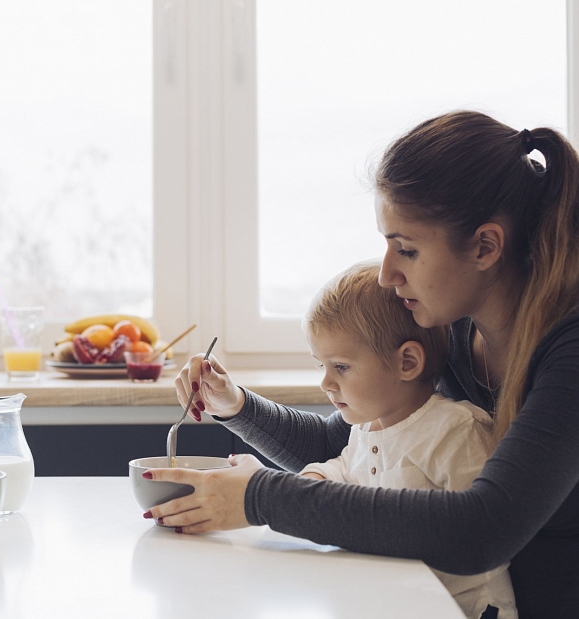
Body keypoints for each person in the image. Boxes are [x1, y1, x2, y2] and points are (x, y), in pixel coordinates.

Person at [142, 111, 579, 619]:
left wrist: (258, 498)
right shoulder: (457, 333)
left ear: (485, 246)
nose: (387, 274)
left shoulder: (568, 353)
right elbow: (351, 444)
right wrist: (237, 408)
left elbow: (481, 530)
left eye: (407, 250)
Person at [304, 261, 516, 618]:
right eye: (320, 365)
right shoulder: (365, 428)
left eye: (340, 367)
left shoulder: (454, 430)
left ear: (407, 363)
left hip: (466, 608)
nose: (326, 382)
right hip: (399, 602)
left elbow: (481, 534)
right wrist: (316, 480)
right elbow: (346, 469)